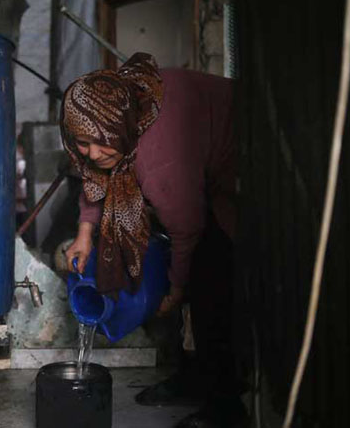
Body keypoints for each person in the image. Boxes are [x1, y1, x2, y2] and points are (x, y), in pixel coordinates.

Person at [61, 53, 246, 428]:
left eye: (102, 142)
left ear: (121, 126)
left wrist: (175, 291)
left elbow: (186, 229)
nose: (94, 153)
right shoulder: (120, 108)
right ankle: (195, 376)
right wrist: (84, 232)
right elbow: (96, 174)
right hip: (203, 160)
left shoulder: (158, 158)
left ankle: (225, 405)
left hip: (249, 162)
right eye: (82, 142)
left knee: (210, 278)